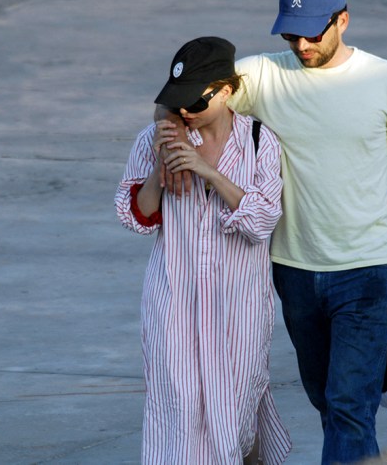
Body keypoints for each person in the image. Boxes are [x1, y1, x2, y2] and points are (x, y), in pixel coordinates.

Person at [157, 0, 387, 464]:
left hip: (367, 268)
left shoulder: (386, 78)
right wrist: (168, 136)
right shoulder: (263, 74)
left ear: (342, 20)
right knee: (327, 401)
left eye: (312, 32)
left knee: (350, 405)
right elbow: (181, 96)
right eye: (291, 34)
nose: (301, 44)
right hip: (292, 271)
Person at [115, 36, 291, 464]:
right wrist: (160, 170)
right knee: (177, 416)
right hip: (174, 305)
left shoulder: (258, 141)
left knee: (236, 417)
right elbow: (134, 216)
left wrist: (208, 173)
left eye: (195, 101)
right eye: (179, 102)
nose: (186, 112)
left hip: (239, 309)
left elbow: (263, 221)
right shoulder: (156, 139)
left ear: (226, 89)